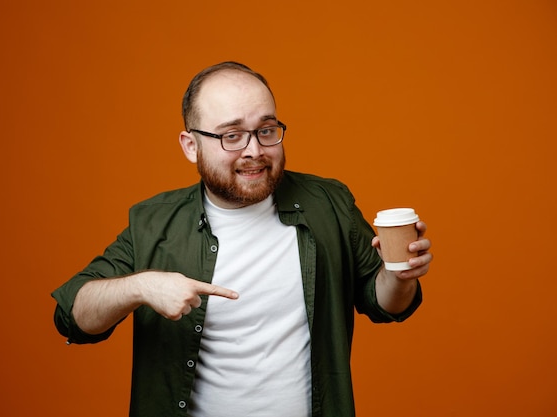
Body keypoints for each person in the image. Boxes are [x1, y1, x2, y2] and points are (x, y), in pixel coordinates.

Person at [52, 61, 433, 417]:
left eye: (266, 130)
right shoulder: (153, 222)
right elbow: (73, 316)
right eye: (232, 135)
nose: (254, 150)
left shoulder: (328, 203)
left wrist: (398, 274)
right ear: (190, 145)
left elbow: (386, 304)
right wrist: (140, 286)